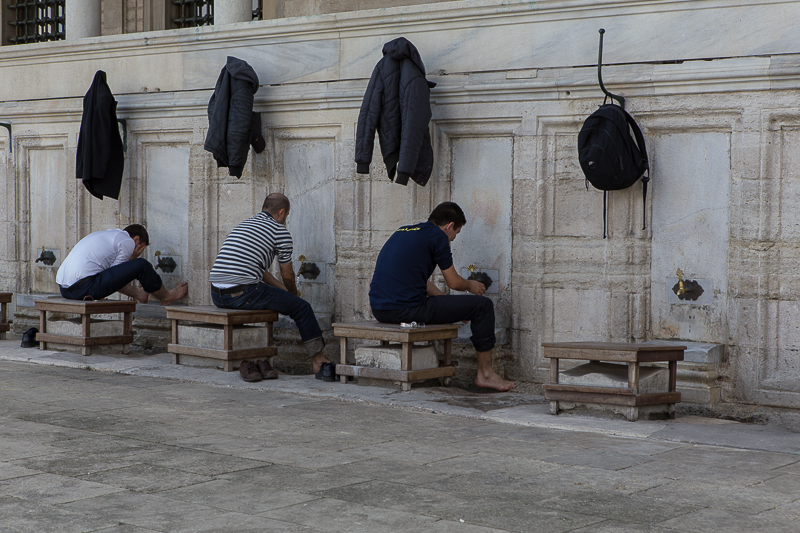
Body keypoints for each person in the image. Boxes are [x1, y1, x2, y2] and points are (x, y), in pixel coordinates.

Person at [369, 201, 516, 392]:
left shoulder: (404, 230)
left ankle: (486, 373)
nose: (454, 238)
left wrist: (450, 307)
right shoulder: (438, 236)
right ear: (449, 227)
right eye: (457, 232)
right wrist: (470, 285)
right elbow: (454, 282)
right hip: (407, 310)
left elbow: (421, 282)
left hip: (380, 310)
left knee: (470, 306)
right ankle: (486, 374)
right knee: (483, 306)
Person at [209, 193, 332, 382]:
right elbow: (288, 273)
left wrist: (284, 293)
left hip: (217, 295)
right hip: (243, 293)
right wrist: (293, 295)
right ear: (282, 212)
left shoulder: (244, 225)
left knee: (291, 301)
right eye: (287, 215)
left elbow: (261, 272)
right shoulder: (279, 231)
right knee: (302, 307)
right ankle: (318, 360)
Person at [56, 225, 188, 305]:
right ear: (136, 240)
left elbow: (113, 278)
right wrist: (132, 259)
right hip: (84, 288)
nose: (138, 252)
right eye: (141, 249)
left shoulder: (107, 235)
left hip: (65, 290)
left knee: (113, 273)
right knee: (141, 264)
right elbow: (116, 274)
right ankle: (166, 297)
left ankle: (139, 294)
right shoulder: (126, 241)